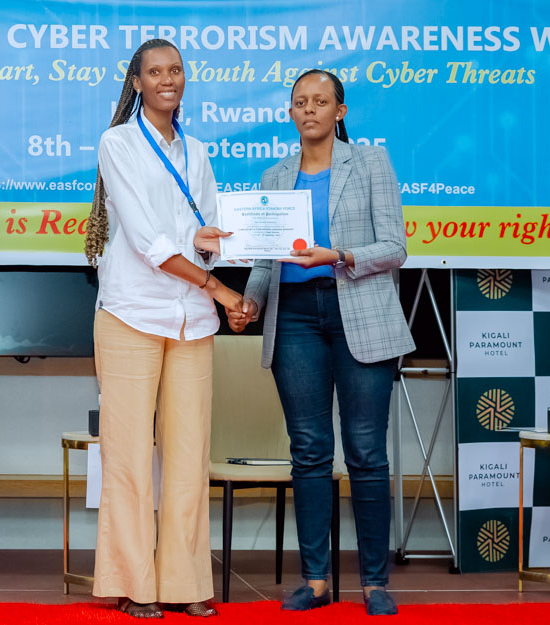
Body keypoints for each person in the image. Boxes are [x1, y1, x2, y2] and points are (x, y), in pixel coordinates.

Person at [228, 70, 415, 616]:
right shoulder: (274, 175)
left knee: (366, 451)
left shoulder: (372, 162)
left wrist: (340, 256)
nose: (309, 109)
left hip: (359, 309)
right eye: (300, 102)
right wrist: (251, 303)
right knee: (309, 451)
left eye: (320, 101)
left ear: (340, 111)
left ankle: (374, 583)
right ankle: (315, 581)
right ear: (290, 112)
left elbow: (396, 247)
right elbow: (267, 261)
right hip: (293, 319)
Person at [83, 38, 241, 619]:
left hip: (191, 319)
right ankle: (133, 583)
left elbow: (207, 231)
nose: (167, 79)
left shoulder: (197, 151)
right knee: (128, 457)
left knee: (189, 457)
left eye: (175, 70)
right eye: (155, 71)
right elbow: (148, 241)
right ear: (137, 82)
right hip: (131, 312)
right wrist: (219, 289)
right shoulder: (118, 143)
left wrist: (223, 245)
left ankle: (184, 581)